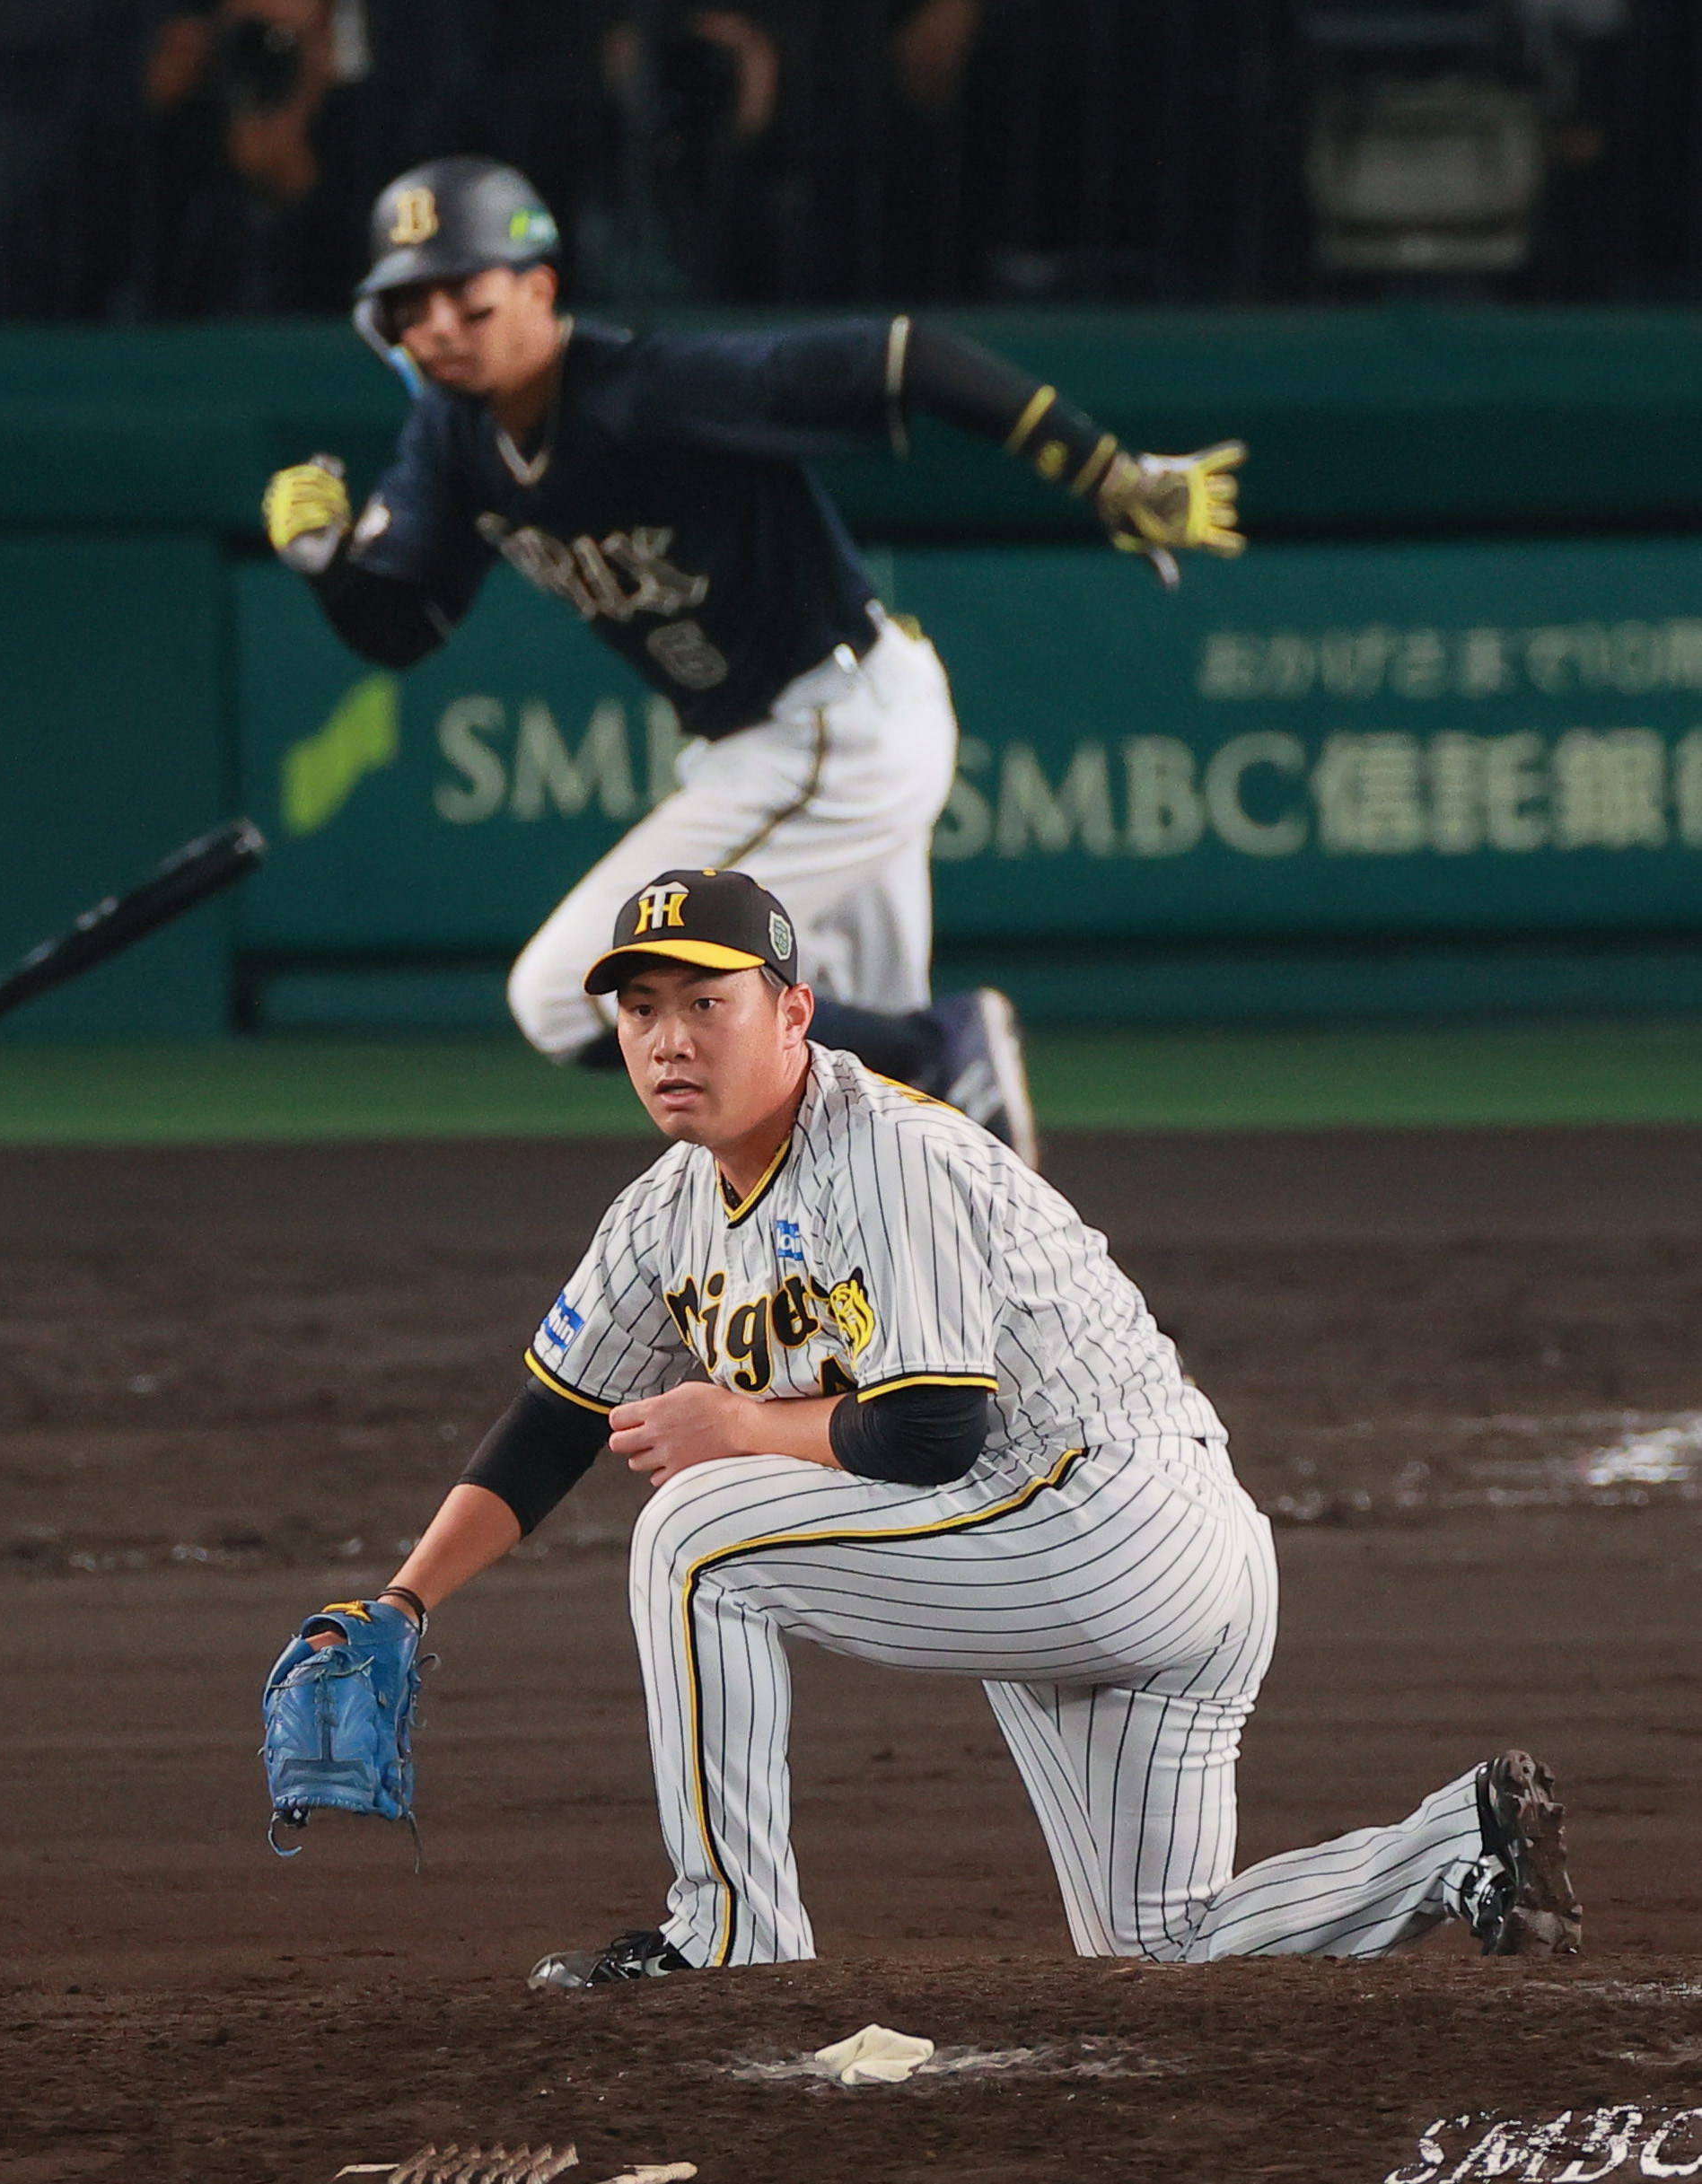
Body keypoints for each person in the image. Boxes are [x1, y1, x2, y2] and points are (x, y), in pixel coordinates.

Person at [303, 865, 1584, 1980]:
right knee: (1160, 1945)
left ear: (793, 1013)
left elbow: (929, 1431)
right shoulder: (664, 1208)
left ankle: (730, 1940)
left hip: (1111, 1518)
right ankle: (1453, 1847)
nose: (668, 1038)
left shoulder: (888, 1152)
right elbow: (552, 1422)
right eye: (641, 1008)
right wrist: (406, 1602)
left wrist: (737, 1424)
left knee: (696, 1535)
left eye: (708, 1001)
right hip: (1086, 1545)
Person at [262, 154, 1249, 1163]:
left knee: (568, 996)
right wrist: (330, 567)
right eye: (409, 306)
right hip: (772, 740)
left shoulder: (654, 390)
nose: (436, 328)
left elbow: (904, 359)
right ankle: (940, 1245)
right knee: (857, 1123)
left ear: (540, 288)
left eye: (465, 299)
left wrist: (1101, 470)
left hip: (834, 727)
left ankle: (941, 1049)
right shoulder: (451, 438)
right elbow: (405, 626)